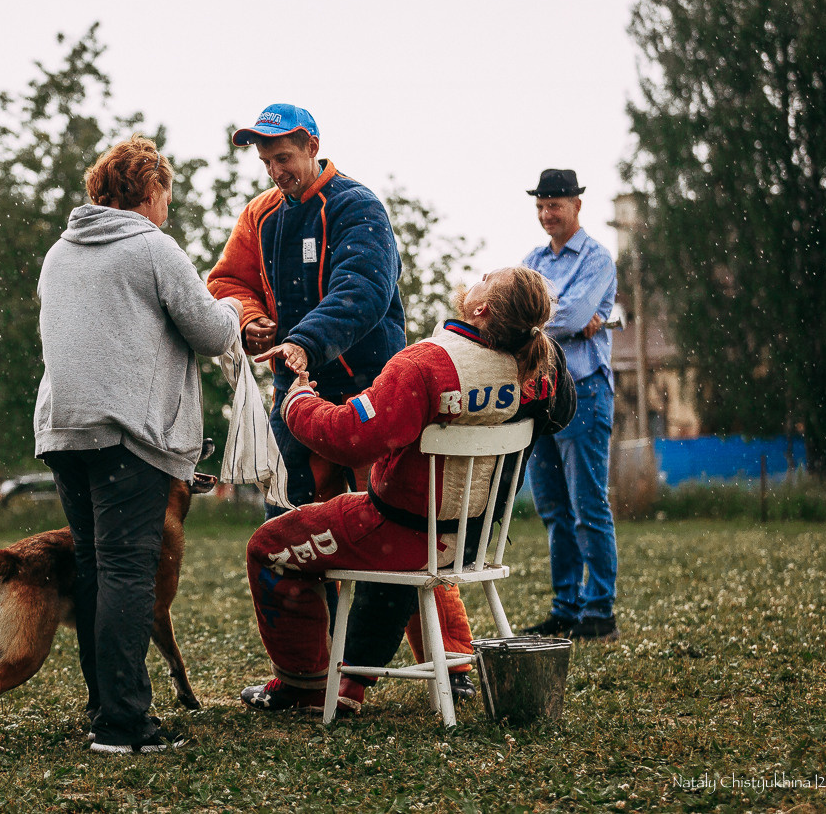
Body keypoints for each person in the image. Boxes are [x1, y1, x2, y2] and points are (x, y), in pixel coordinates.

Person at [206, 103, 474, 702]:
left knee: (404, 528)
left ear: (313, 146)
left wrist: (303, 339)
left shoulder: (358, 206)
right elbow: (226, 282)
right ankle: (314, 677)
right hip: (299, 402)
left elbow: (365, 289)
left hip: (375, 398)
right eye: (267, 161)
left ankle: (452, 664)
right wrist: (251, 320)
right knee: (308, 533)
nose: (276, 171)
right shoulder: (261, 215)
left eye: (284, 158)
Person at [237, 266, 561, 710]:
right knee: (408, 539)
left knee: (268, 546)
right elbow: (558, 413)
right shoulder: (540, 369)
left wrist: (298, 403)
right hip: (468, 537)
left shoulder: (426, 364)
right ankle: (428, 665)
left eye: (488, 277)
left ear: (481, 309)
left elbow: (350, 438)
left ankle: (306, 683)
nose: (479, 274)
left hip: (405, 533)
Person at [34, 134, 243, 754]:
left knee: (97, 567)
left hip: (64, 432)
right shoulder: (151, 247)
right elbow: (208, 332)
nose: (167, 206)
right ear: (150, 191)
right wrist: (232, 312)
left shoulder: (59, 253)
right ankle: (125, 726)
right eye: (166, 194)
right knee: (129, 571)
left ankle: (105, 709)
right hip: (130, 433)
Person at [519, 168, 620, 643]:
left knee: (587, 506)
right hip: (541, 396)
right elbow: (519, 313)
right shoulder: (531, 259)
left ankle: (599, 611)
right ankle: (566, 608)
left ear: (577, 205)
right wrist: (562, 319)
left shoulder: (598, 258)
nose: (547, 213)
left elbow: (572, 314)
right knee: (554, 510)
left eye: (555, 205)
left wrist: (537, 318)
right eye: (540, 205)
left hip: (584, 392)